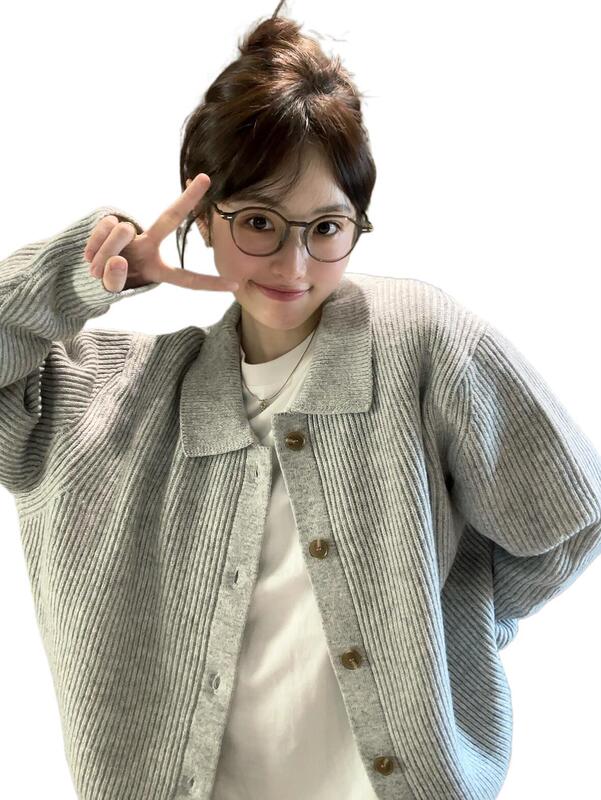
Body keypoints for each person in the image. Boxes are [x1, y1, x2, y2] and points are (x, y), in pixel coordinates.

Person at [1, 4, 600, 800]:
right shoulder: (117, 395)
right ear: (201, 220)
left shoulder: (418, 342)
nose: (293, 264)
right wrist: (95, 273)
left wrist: (451, 620)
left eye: (325, 227)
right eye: (257, 222)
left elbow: (571, 515)